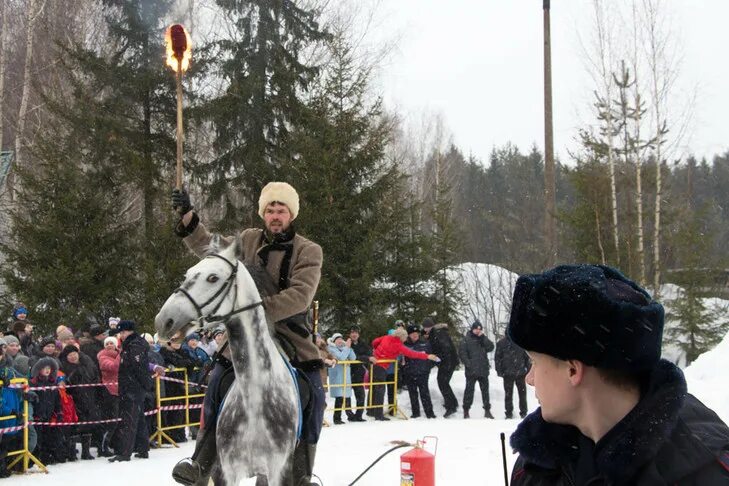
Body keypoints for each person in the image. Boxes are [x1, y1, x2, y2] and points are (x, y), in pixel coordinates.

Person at [507, 264, 729, 485]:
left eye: (534, 362)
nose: (530, 378)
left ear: (573, 370)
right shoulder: (536, 468)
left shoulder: (708, 473)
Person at [171, 181, 324, 486]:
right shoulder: (247, 240)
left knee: (314, 396)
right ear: (263, 213)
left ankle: (301, 472)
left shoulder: (309, 250)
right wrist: (189, 218)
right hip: (243, 337)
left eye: (281, 209)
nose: (275, 215)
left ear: (291, 214)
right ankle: (201, 461)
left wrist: (256, 310)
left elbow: (300, 296)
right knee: (217, 381)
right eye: (270, 209)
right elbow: (211, 249)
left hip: (287, 336)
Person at [108, 320, 153, 463]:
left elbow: (137, 367)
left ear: (129, 331)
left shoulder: (134, 345)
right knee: (138, 419)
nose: (121, 335)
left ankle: (125, 452)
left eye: (123, 332)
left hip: (132, 388)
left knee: (129, 421)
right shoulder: (133, 344)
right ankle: (142, 448)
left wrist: (143, 384)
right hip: (132, 387)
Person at [371, 328, 439, 421]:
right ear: (401, 337)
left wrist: (377, 351)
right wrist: (427, 356)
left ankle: (375, 412)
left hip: (375, 364)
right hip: (381, 366)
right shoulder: (399, 345)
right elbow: (412, 354)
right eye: (405, 337)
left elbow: (374, 341)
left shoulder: (387, 337)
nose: (406, 339)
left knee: (378, 389)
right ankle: (378, 415)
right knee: (380, 390)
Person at [422, 317, 460, 418]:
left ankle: (451, 406)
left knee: (442, 382)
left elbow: (445, 348)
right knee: (443, 382)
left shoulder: (438, 333)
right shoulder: (433, 334)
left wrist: (443, 361)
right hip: (446, 361)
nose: (426, 329)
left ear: (431, 326)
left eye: (428, 327)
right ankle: (452, 402)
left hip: (448, 362)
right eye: (425, 328)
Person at [458, 320, 495, 419]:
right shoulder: (466, 340)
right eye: (476, 329)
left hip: (483, 370)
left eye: (479, 329)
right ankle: (466, 411)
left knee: (485, 392)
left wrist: (483, 337)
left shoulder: (482, 339)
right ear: (472, 329)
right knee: (469, 391)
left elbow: (491, 347)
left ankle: (487, 411)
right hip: (471, 371)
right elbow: (462, 354)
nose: (478, 331)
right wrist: (469, 364)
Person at [402, 325, 436, 419]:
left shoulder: (425, 343)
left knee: (424, 393)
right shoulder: (404, 344)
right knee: (412, 394)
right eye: (412, 333)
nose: (415, 335)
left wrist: (427, 368)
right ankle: (415, 413)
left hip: (423, 373)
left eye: (416, 333)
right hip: (409, 373)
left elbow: (431, 356)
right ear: (409, 335)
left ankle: (430, 413)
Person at [494, 332, 530, 419]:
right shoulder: (501, 343)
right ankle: (509, 412)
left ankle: (523, 412)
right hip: (508, 374)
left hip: (520, 373)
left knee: (522, 394)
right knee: (508, 394)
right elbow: (497, 358)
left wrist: (527, 370)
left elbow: (526, 357)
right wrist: (499, 371)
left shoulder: (520, 342)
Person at [97, 336, 120, 456]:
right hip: (109, 391)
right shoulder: (102, 356)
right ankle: (103, 447)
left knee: (119, 420)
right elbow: (114, 367)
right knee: (111, 421)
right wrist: (121, 356)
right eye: (107, 343)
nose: (109, 345)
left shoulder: (118, 354)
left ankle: (116, 445)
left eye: (112, 343)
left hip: (120, 390)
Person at [326, 333, 356, 424]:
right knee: (339, 398)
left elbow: (353, 358)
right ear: (334, 341)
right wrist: (347, 348)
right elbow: (341, 357)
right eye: (337, 339)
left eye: (341, 339)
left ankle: (350, 415)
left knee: (347, 397)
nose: (340, 341)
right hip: (337, 376)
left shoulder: (344, 348)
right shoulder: (331, 348)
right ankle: (337, 418)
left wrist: (349, 348)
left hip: (346, 376)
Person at [347, 325, 372, 422]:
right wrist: (364, 358)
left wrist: (365, 358)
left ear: (358, 334)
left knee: (361, 395)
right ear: (349, 334)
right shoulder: (346, 344)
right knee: (347, 396)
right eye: (352, 332)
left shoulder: (363, 344)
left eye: (356, 332)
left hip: (359, 373)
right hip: (347, 373)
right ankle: (350, 415)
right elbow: (352, 356)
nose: (354, 334)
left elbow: (369, 354)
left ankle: (359, 415)